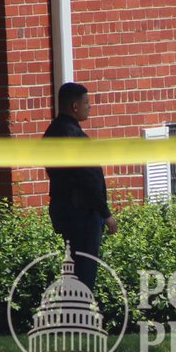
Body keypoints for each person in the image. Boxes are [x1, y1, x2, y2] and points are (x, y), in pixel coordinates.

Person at [43, 82, 117, 291]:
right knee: (84, 274)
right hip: (83, 214)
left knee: (72, 271)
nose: (89, 106)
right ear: (75, 106)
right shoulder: (74, 136)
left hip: (63, 210)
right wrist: (106, 213)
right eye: (86, 102)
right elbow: (89, 179)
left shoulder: (52, 132)